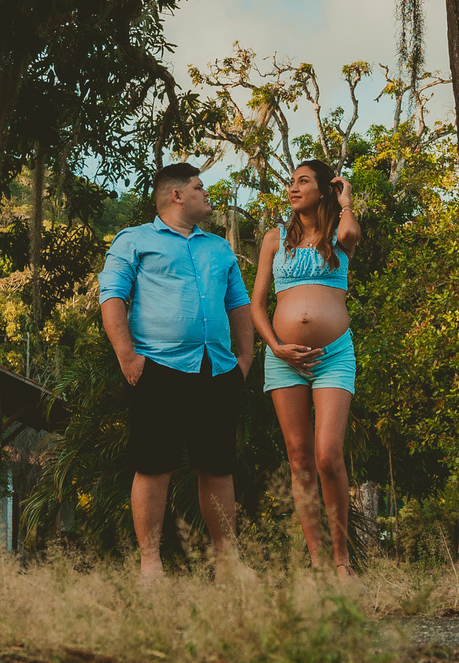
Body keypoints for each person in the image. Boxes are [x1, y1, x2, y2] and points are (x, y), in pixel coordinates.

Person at [98, 163, 254, 582]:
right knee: (153, 465)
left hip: (217, 370)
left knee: (218, 467)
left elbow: (238, 303)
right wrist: (127, 357)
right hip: (159, 368)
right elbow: (111, 295)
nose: (208, 194)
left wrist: (245, 359)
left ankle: (228, 566)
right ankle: (150, 565)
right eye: (200, 187)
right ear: (176, 195)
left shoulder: (219, 248)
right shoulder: (134, 240)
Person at [249, 159, 361, 581]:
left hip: (333, 355)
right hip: (283, 361)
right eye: (291, 182)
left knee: (328, 456)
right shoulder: (274, 239)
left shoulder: (339, 235)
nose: (293, 188)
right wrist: (277, 347)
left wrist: (345, 199)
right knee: (299, 460)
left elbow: (351, 231)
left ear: (324, 189)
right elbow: (257, 305)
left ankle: (341, 559)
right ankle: (317, 562)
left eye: (303, 181)